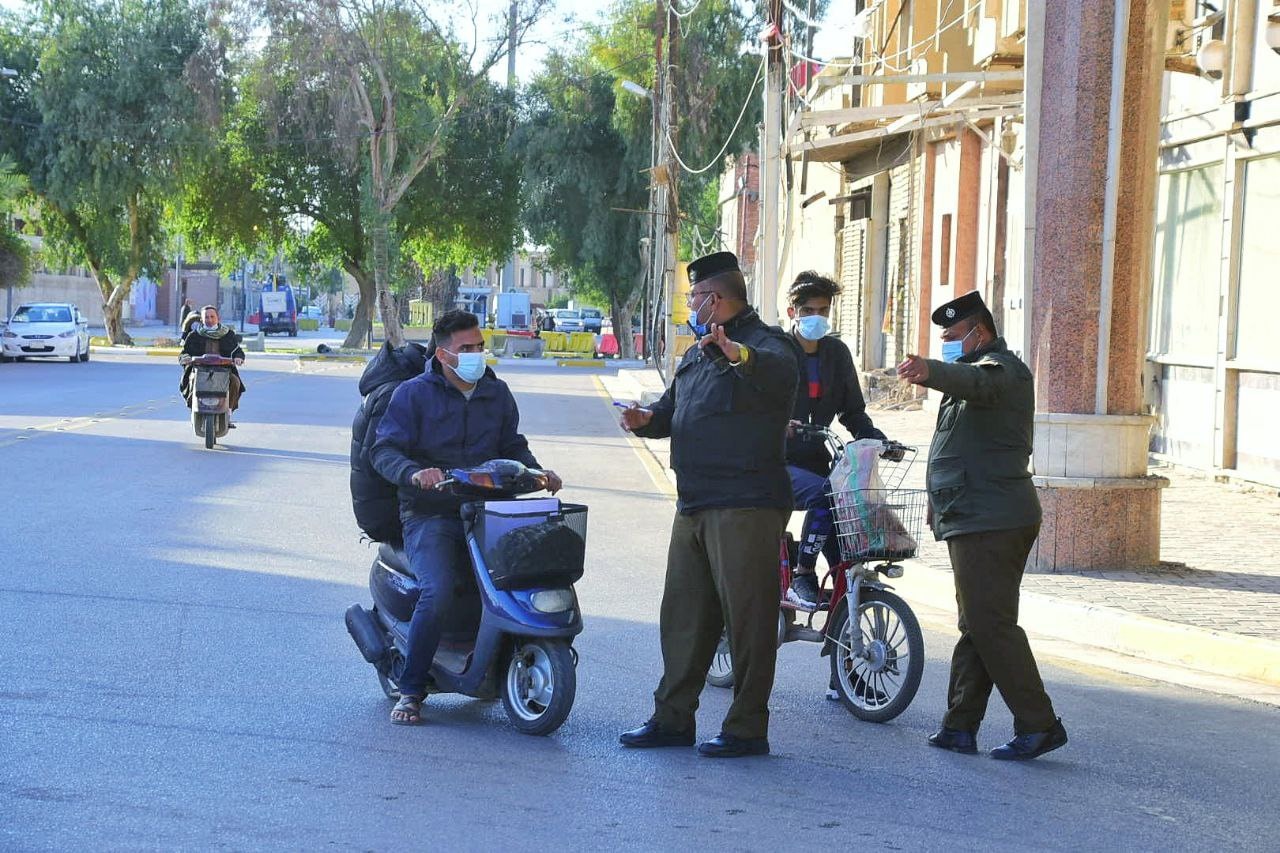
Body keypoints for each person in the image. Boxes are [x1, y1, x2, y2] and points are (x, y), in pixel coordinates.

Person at [617, 250, 798, 758]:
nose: (690, 303)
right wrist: (645, 420)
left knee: (748, 621)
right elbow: (671, 410)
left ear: (714, 299)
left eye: (694, 296)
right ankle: (672, 718)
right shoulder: (697, 352)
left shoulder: (767, 345)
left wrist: (737, 355)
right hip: (694, 503)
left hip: (744, 505)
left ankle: (746, 728)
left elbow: (776, 373)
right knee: (683, 617)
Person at [896, 290, 1067, 761]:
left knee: (990, 625)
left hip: (993, 519)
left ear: (980, 332)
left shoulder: (1002, 370)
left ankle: (1039, 724)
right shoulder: (972, 376)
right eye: (943, 339)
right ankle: (959, 725)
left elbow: (977, 383)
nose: (948, 344)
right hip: (974, 514)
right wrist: (938, 500)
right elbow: (960, 446)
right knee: (977, 623)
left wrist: (931, 370)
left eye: (953, 335)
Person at [371, 310, 562, 726]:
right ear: (443, 355)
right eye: (467, 348)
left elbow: (513, 445)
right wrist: (414, 473)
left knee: (526, 579)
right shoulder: (412, 395)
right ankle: (411, 688)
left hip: (491, 510)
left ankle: (495, 658)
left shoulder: (497, 393)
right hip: (431, 513)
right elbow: (383, 451)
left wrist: (537, 472)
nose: (477, 354)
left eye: (480, 346)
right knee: (437, 590)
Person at [781, 272, 886, 610]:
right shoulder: (776, 351)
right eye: (809, 311)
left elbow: (853, 412)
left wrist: (879, 441)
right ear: (792, 312)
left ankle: (843, 614)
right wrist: (779, 425)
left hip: (816, 459)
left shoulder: (837, 353)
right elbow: (754, 404)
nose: (817, 318)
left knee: (844, 535)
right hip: (775, 460)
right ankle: (803, 574)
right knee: (825, 494)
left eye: (823, 311)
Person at [349, 339, 430, 545]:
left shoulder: (396, 375)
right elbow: (379, 458)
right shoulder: (396, 392)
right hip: (387, 512)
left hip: (390, 501)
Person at [178, 305, 245, 413]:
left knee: (235, 381)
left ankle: (228, 409)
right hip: (199, 371)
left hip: (224, 370)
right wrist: (185, 359)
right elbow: (184, 353)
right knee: (191, 380)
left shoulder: (228, 334)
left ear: (218, 318)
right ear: (202, 319)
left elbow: (238, 351)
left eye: (212, 316)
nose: (209, 320)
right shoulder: (194, 335)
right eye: (206, 317)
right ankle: (194, 408)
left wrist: (238, 358)